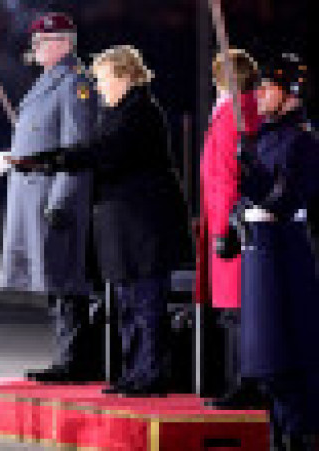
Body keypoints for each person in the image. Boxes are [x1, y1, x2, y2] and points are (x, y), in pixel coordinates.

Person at [9, 45, 193, 396]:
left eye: (104, 78)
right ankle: (133, 373)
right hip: (121, 226)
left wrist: (49, 160)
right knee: (125, 305)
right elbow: (93, 149)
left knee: (146, 304)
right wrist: (47, 159)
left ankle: (151, 374)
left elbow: (103, 153)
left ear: (125, 76)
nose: (99, 86)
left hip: (144, 225)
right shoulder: (114, 111)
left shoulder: (141, 112)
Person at [0, 12, 102, 383]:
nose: (35, 48)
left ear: (64, 42)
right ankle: (67, 356)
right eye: (35, 42)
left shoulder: (74, 85)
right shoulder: (46, 82)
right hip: (34, 194)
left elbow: (76, 146)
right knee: (54, 281)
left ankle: (74, 360)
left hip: (54, 198)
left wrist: (62, 199)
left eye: (43, 42)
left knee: (66, 281)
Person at [231, 52, 319, 450]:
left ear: (291, 94)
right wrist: (238, 212)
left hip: (284, 253)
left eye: (268, 87)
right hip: (260, 250)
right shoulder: (266, 134)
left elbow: (284, 201)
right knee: (265, 357)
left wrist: (250, 181)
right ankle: (278, 432)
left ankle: (297, 433)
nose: (260, 94)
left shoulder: (302, 140)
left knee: (286, 352)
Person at [197, 49, 266, 409]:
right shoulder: (244, 110)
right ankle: (240, 380)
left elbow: (225, 178)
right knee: (239, 311)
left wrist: (223, 229)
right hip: (236, 221)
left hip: (231, 225)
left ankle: (244, 382)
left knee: (238, 312)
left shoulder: (231, 115)